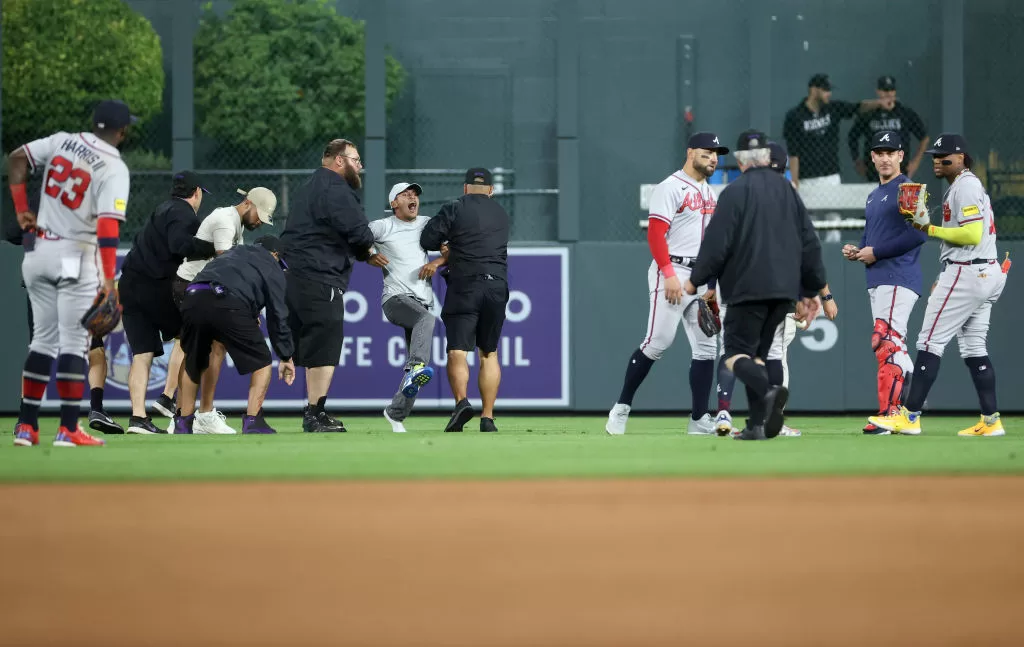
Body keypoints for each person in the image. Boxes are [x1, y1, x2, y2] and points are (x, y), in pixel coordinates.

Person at [8, 99, 134, 447]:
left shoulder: (62, 140)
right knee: (75, 342)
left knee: (42, 340)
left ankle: (26, 426)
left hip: (38, 252)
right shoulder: (114, 166)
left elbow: (16, 158)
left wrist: (22, 211)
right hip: (75, 254)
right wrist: (109, 279)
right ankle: (67, 428)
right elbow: (108, 227)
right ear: (122, 131)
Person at [686, 130, 827, 440]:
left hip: (746, 289)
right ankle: (756, 426)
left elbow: (716, 244)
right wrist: (811, 289)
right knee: (760, 357)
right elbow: (809, 242)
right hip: (783, 293)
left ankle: (768, 392)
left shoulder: (735, 192)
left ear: (739, 161)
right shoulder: (788, 190)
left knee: (736, 355)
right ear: (767, 157)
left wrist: (696, 280)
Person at [869, 134, 1008, 437]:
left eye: (945, 157)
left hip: (968, 271)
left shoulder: (966, 186)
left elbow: (971, 235)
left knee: (929, 342)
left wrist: (927, 228)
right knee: (974, 347)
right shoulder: (963, 186)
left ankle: (909, 417)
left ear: (961, 159)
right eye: (934, 156)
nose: (937, 161)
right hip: (984, 270)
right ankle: (990, 419)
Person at [604, 132, 729, 436]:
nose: (713, 157)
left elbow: (712, 243)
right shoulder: (670, 187)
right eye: (707, 151)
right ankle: (621, 408)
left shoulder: (710, 193)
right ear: (690, 153)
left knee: (706, 347)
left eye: (716, 153)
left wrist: (711, 282)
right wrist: (668, 274)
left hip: (701, 277)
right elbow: (655, 234)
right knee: (658, 343)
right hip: (672, 269)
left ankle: (699, 419)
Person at [161, 186, 277, 434]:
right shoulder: (226, 220)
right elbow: (229, 263)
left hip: (208, 290)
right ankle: (185, 414)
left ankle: (199, 414)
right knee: (194, 351)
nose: (260, 222)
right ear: (248, 203)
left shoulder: (237, 224)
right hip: (194, 287)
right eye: (260, 215)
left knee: (213, 349)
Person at [280, 139, 376, 433]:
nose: (360, 166)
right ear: (339, 161)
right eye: (356, 159)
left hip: (293, 276)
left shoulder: (309, 187)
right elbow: (361, 234)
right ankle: (315, 413)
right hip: (320, 276)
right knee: (325, 346)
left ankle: (311, 410)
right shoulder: (337, 189)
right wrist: (366, 251)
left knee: (310, 344)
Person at [841, 132, 928, 434]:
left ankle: (891, 413)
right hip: (879, 277)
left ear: (902, 156)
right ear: (873, 157)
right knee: (893, 345)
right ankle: (910, 412)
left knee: (886, 341)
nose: (885, 157)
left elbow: (919, 233)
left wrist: (875, 252)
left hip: (898, 275)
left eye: (891, 152)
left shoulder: (908, 188)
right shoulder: (874, 194)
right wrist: (859, 248)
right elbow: (872, 234)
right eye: (879, 152)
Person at [119, 171, 216, 435]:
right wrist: (212, 248)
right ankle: (177, 407)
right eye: (201, 195)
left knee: (142, 354)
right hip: (154, 285)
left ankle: (138, 418)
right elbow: (179, 245)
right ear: (196, 193)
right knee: (190, 336)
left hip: (128, 284)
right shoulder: (184, 212)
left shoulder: (162, 209)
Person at [174, 236, 295, 435]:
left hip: (193, 295)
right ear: (275, 255)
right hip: (226, 299)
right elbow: (278, 315)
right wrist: (285, 354)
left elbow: (234, 278)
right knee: (262, 361)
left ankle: (182, 422)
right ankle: (253, 421)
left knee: (193, 361)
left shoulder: (231, 253)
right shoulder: (271, 264)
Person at [420, 167, 510, 432]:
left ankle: (461, 403)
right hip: (497, 286)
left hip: (466, 285)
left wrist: (447, 246)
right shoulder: (502, 213)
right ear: (491, 190)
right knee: (489, 353)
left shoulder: (455, 207)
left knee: (458, 350)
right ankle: (488, 417)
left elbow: (428, 238)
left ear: (465, 188)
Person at [368, 182, 445, 434]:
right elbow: (356, 237)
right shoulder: (383, 226)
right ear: (393, 204)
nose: (413, 197)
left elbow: (453, 245)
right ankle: (417, 367)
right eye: (405, 194)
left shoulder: (426, 224)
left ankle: (395, 413)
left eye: (415, 195)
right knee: (426, 324)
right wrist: (369, 252)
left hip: (420, 300)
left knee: (418, 365)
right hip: (395, 299)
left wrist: (439, 261)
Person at [783, 74, 886, 189]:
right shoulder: (795, 116)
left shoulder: (833, 108)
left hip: (831, 176)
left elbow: (857, 107)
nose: (829, 94)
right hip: (806, 179)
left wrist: (879, 103)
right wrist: (795, 180)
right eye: (825, 90)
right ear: (813, 90)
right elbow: (793, 152)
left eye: (830, 90)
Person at [848, 76, 929, 182]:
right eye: (885, 90)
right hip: (874, 171)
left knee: (899, 197)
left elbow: (924, 138)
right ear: (878, 91)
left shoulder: (904, 113)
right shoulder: (869, 114)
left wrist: (915, 163)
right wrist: (857, 161)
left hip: (899, 169)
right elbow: (852, 137)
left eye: (891, 90)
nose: (888, 94)